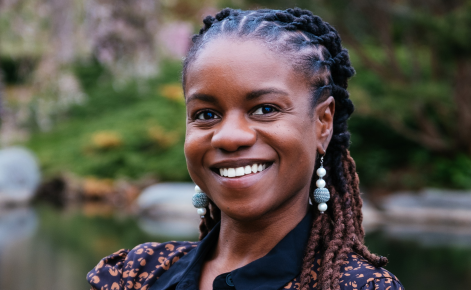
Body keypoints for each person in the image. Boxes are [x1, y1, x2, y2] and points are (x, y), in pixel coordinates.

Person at [87, 7, 404, 290]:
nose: (228, 137)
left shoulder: (358, 286)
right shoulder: (137, 274)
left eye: (265, 109)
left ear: (323, 122)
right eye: (206, 115)